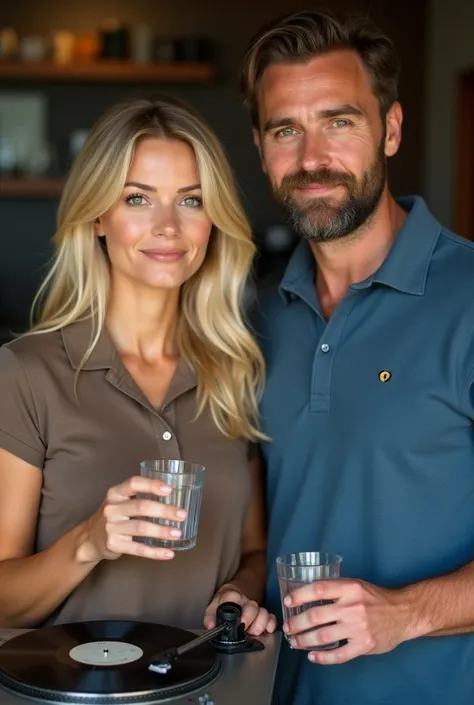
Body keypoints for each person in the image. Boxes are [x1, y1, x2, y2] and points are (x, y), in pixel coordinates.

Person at [239, 8, 474, 705]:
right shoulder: (253, 319)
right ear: (261, 146)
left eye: (339, 121)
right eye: (287, 129)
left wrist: (406, 611)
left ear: (391, 128)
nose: (312, 157)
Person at [0, 94, 276, 639]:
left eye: (191, 200)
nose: (169, 226)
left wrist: (238, 594)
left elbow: (254, 550)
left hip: (214, 691)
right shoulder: (26, 374)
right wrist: (89, 542)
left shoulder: (234, 373)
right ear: (98, 216)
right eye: (138, 198)